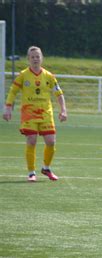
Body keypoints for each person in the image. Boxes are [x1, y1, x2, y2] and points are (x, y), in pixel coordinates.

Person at [3, 46, 67, 182]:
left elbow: (59, 93)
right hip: (29, 113)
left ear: (42, 58)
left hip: (46, 113)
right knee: (31, 140)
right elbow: (13, 91)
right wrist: (8, 107)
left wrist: (63, 110)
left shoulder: (49, 76)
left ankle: (46, 168)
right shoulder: (23, 75)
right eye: (32, 57)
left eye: (37, 56)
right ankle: (31, 172)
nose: (35, 59)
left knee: (51, 141)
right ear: (28, 59)